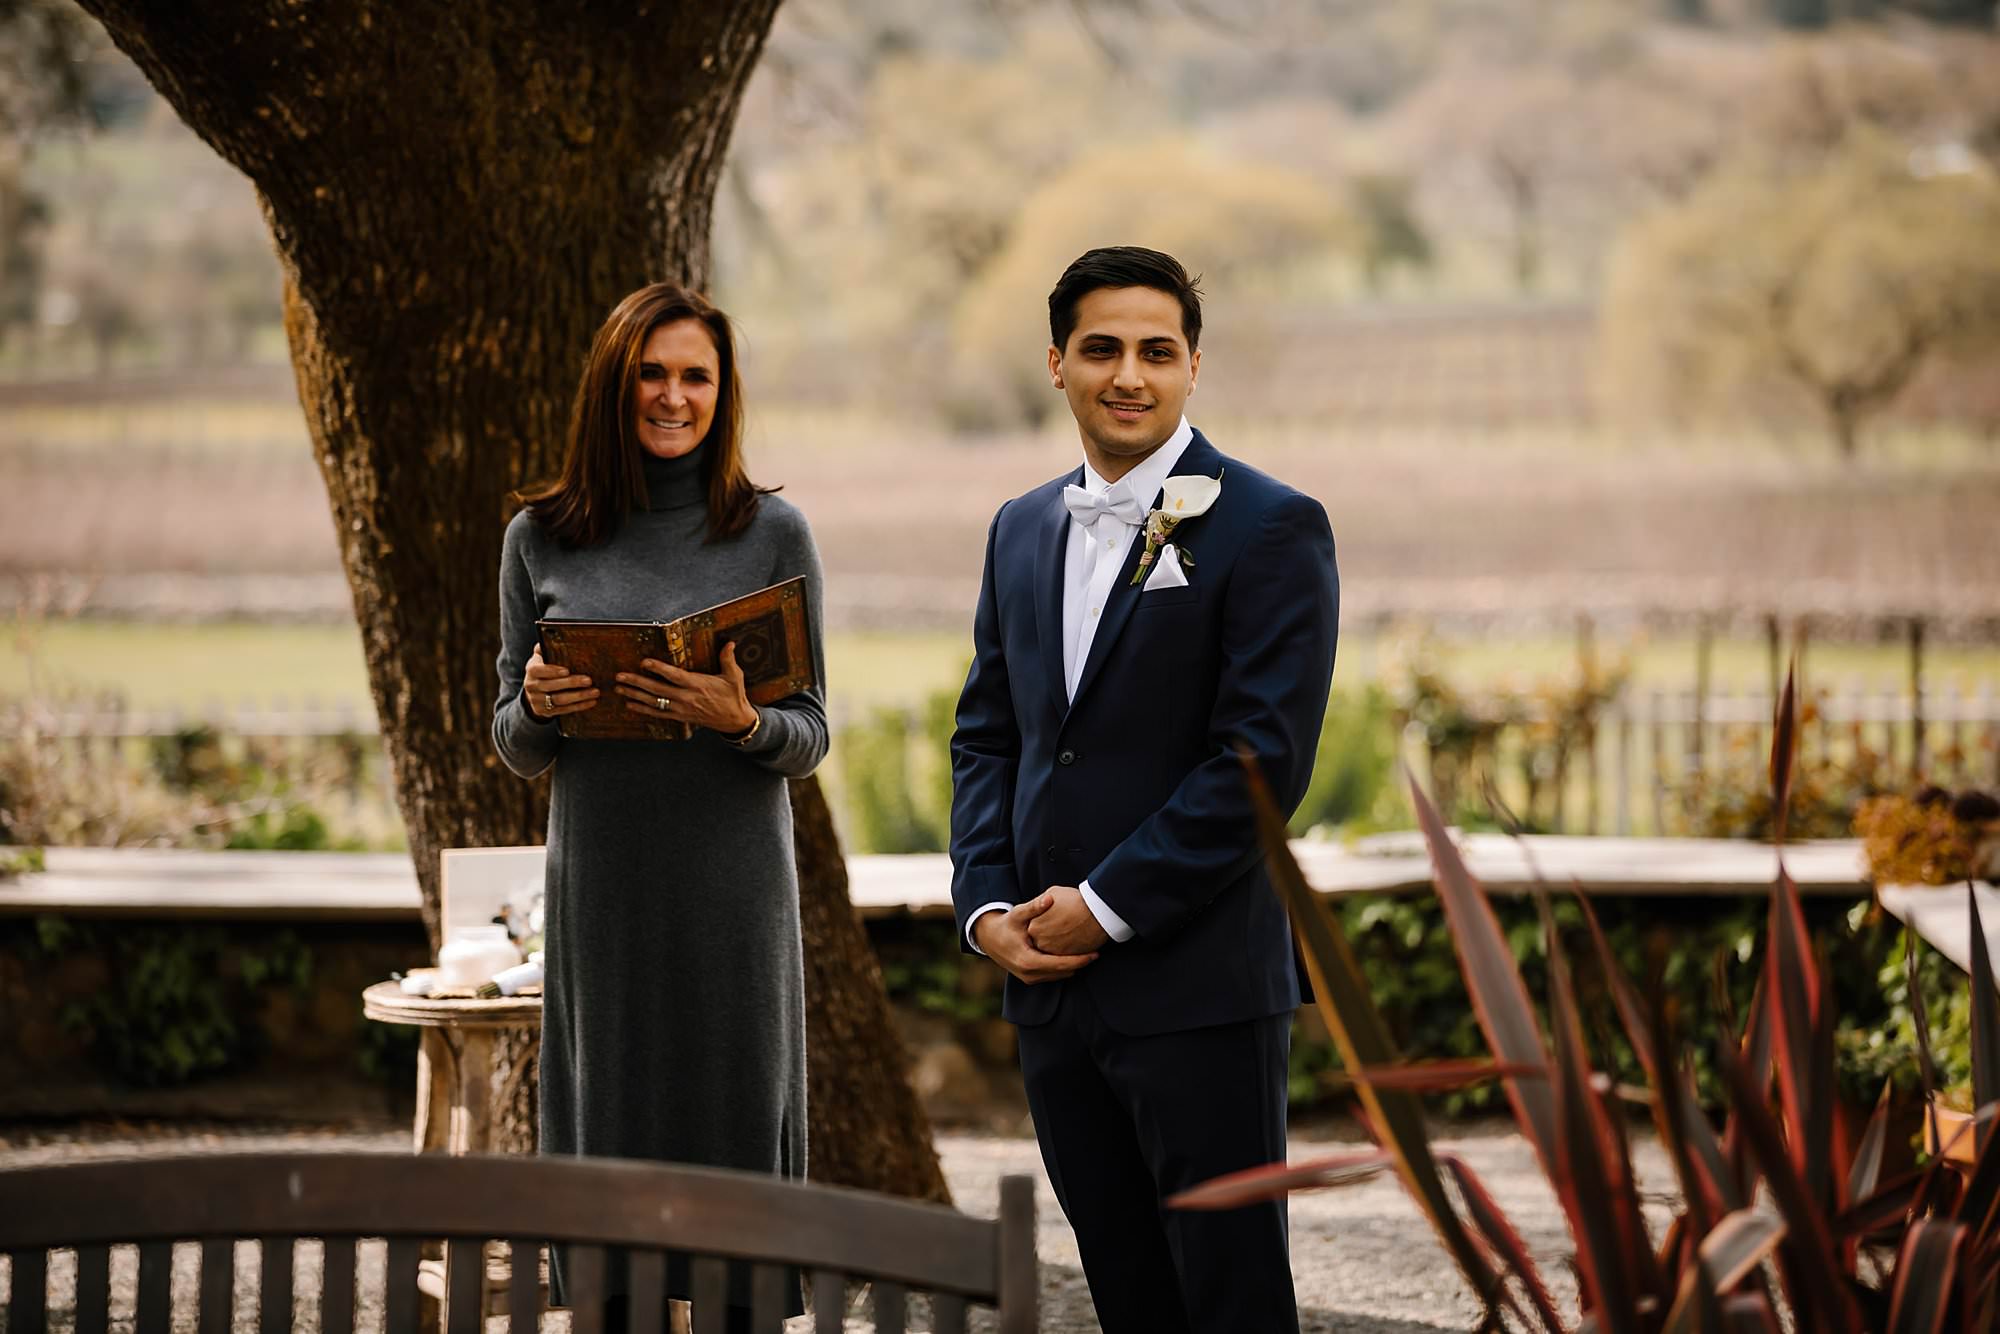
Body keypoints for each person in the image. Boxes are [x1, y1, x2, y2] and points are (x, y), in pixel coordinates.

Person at [949, 246, 1339, 1333]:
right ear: (1056, 363)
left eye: (1155, 351)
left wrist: (1105, 904)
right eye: (1102, 349)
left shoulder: (1270, 524)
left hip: (1199, 984)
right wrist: (985, 908)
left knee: (1231, 1300)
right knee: (1127, 1295)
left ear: (1192, 367)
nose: (1129, 374)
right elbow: (987, 734)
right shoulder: (1018, 527)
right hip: (1049, 990)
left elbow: (1258, 761)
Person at [492, 283, 826, 1330]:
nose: (673, 396)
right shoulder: (539, 535)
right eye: (653, 372)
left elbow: (809, 734)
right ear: (613, 382)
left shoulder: (771, 531)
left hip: (733, 893)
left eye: (696, 376)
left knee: (736, 1141)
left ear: (722, 394)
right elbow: (512, 740)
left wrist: (740, 720)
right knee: (610, 1155)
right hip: (603, 892)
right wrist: (539, 706)